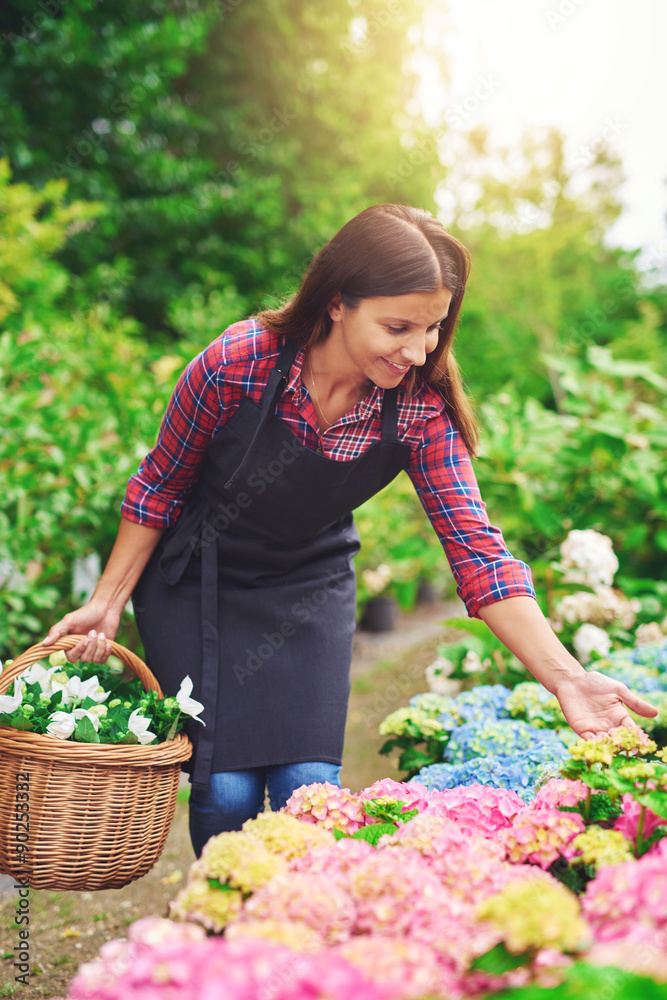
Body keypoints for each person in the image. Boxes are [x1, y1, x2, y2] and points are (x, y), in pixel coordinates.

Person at [43, 203, 657, 857]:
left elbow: (475, 550)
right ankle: (227, 940)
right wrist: (105, 604)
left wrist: (564, 676)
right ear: (337, 303)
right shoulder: (237, 364)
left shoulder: (420, 407)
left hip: (308, 581)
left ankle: (301, 938)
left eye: (432, 329)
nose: (418, 350)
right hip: (200, 579)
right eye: (397, 326)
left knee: (312, 786)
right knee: (223, 792)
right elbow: (158, 486)